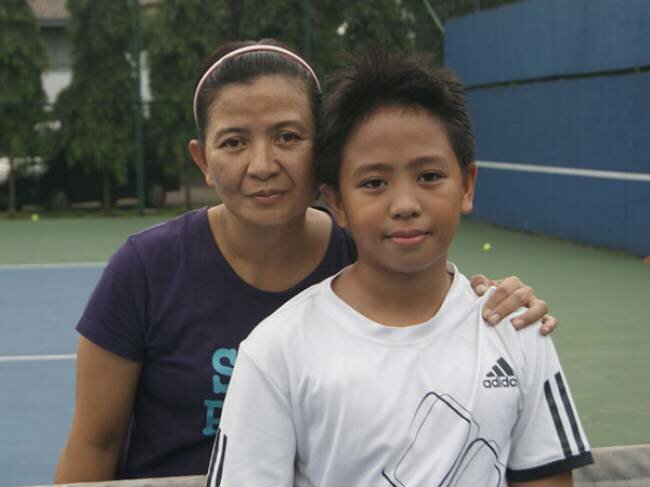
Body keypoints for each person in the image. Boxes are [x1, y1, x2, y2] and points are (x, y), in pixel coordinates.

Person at [55, 40, 555, 482]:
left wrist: (503, 307)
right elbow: (94, 444)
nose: (262, 165)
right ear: (202, 160)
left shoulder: (368, 252)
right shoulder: (145, 269)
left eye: (288, 136)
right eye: (233, 142)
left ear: (324, 152)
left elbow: (443, 320)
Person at [206, 47, 594, 486]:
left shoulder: (516, 330)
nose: (405, 205)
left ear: (467, 186)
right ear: (337, 202)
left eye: (429, 176)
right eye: (374, 183)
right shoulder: (275, 350)